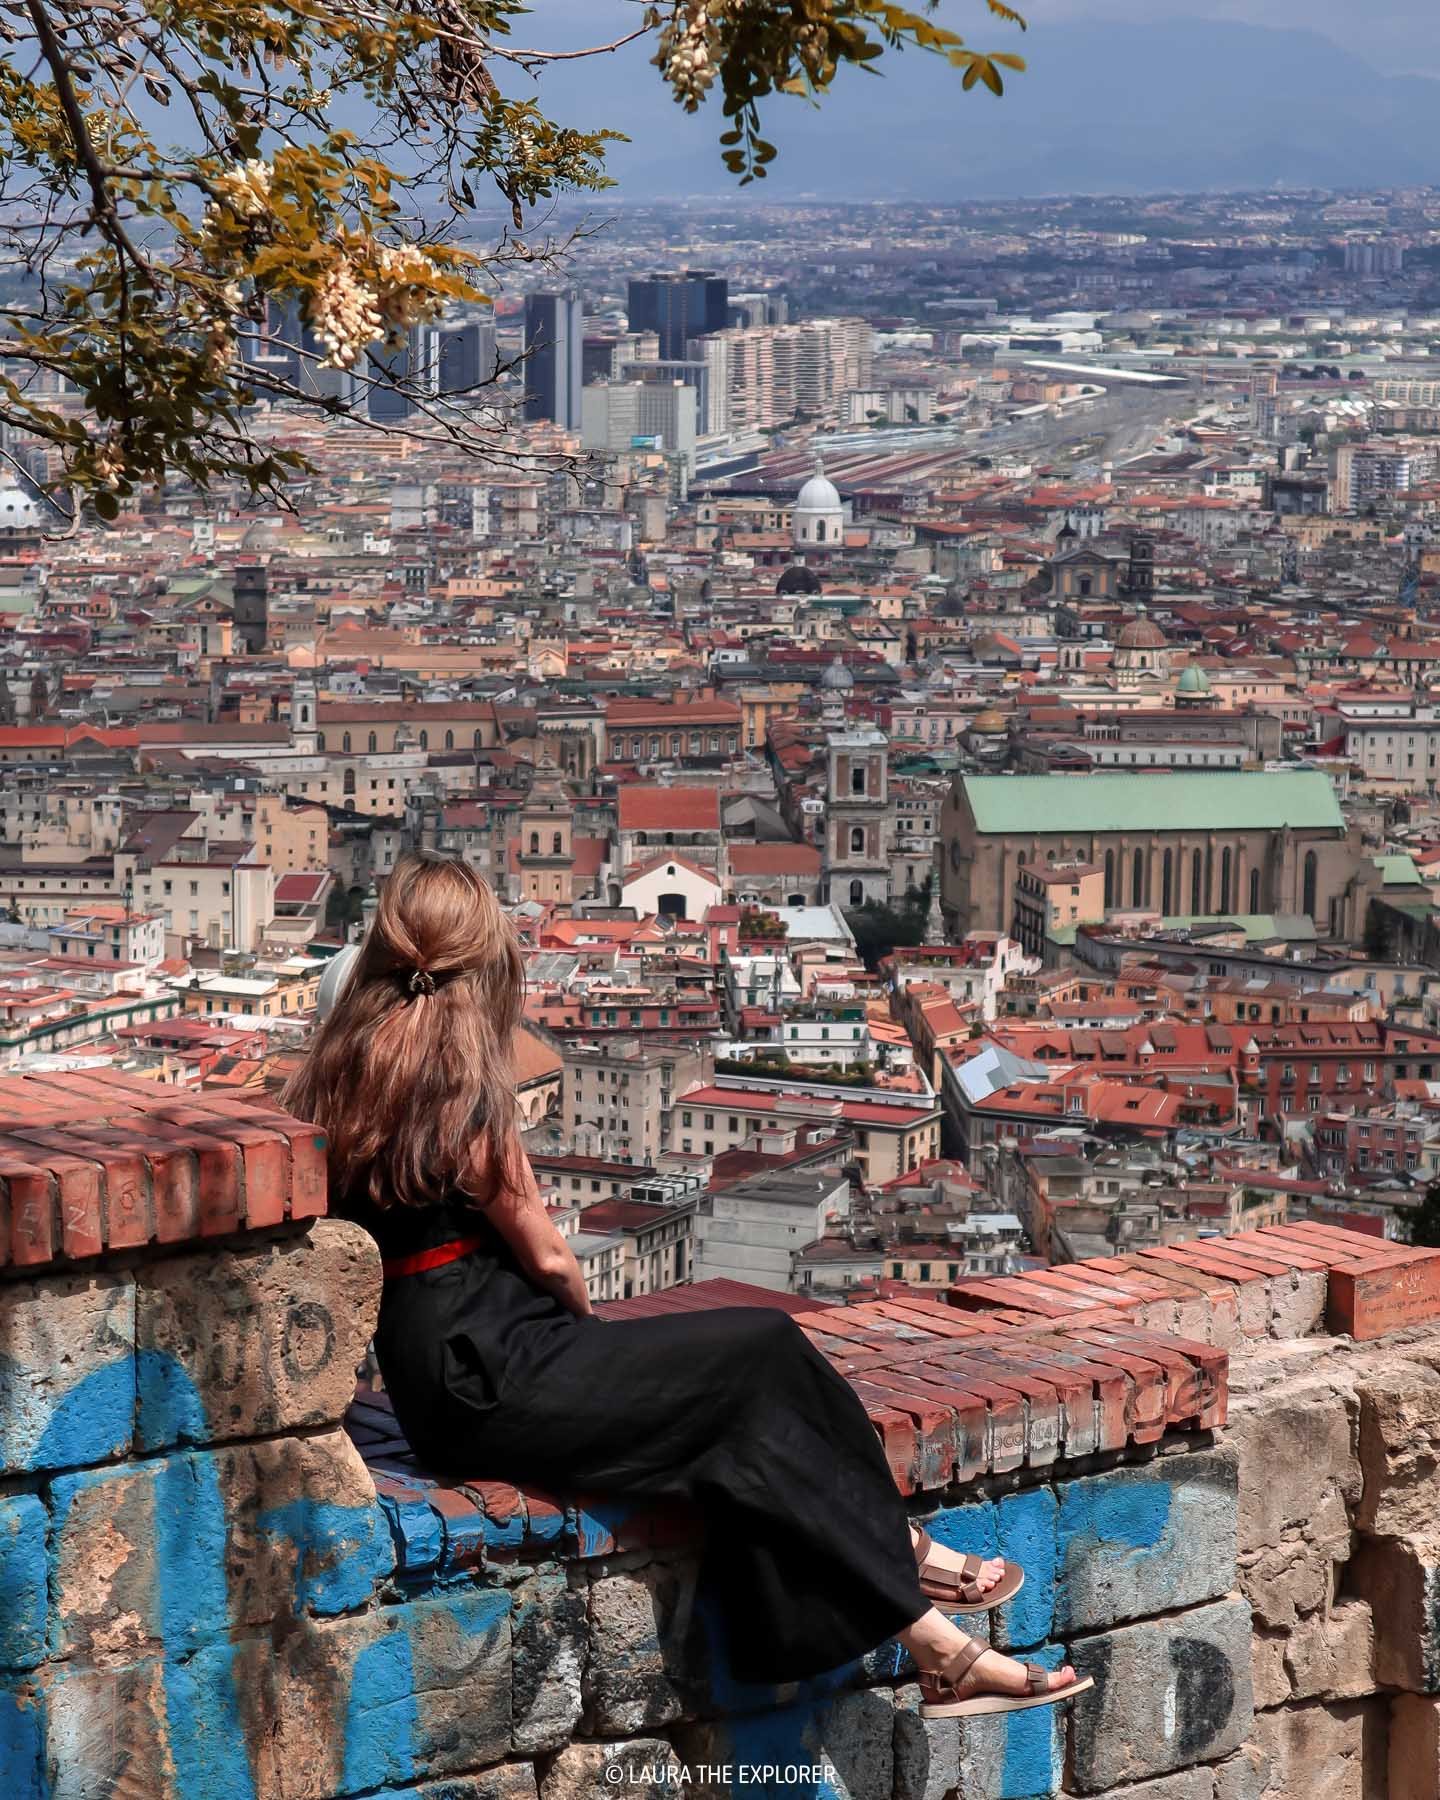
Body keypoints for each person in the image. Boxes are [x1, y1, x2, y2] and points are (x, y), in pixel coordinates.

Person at [283, 852, 1091, 1720]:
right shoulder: (459, 1087)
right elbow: (553, 1261)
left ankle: (933, 1635)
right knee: (762, 1350)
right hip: (503, 1363)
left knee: (732, 1424)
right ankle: (914, 1583)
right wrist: (588, 1336)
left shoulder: (337, 1072)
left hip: (433, 1382)